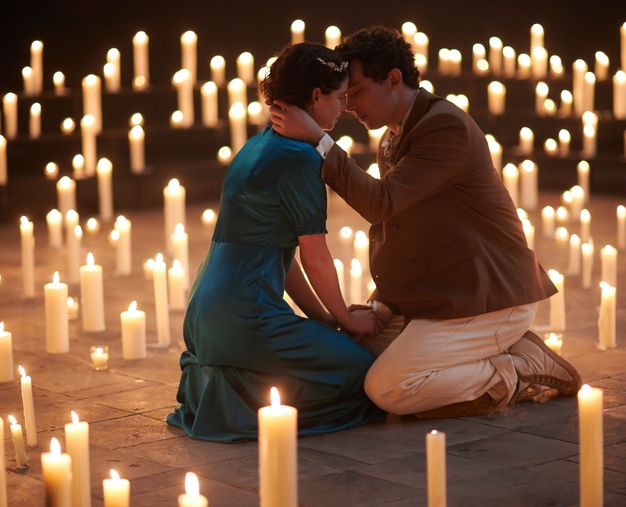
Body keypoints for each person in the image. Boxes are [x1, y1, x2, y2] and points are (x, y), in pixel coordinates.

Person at [270, 26, 582, 418]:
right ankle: (503, 353)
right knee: (356, 355)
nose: (348, 105)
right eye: (344, 94)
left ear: (393, 79)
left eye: (358, 90)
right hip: (441, 294)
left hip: (488, 297)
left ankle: (518, 368)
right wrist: (382, 307)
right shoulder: (394, 135)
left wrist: (320, 141)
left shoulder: (444, 126)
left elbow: (382, 204)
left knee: (388, 389)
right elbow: (404, 231)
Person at [167, 42, 386, 441]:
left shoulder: (257, 146)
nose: (343, 109)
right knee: (362, 372)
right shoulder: (299, 159)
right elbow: (314, 257)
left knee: (320, 357)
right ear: (316, 95)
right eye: (338, 98)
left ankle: (226, 386)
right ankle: (238, 405)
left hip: (204, 311)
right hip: (245, 314)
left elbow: (279, 258)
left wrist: (322, 319)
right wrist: (346, 318)